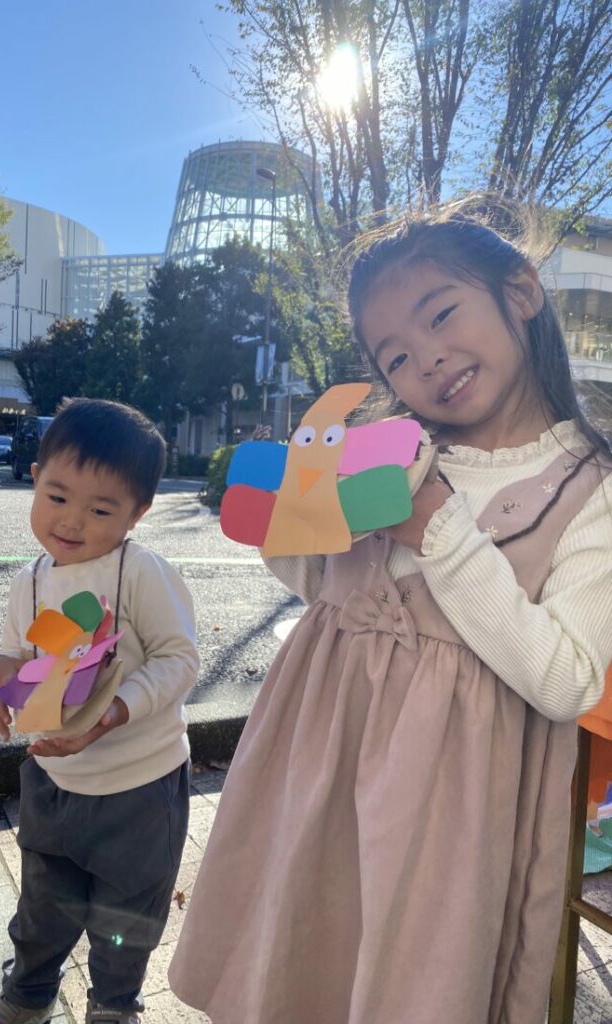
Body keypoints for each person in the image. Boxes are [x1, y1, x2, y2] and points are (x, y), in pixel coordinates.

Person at [168, 200, 612, 1024]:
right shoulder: (392, 453)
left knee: (408, 975)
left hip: (447, 800)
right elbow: (327, 590)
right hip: (321, 758)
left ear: (521, 292)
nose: (428, 358)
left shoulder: (589, 489)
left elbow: (567, 680)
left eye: (442, 314)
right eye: (396, 356)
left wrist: (439, 528)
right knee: (304, 949)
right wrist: (290, 520)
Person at [0, 398, 199, 1024]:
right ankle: (30, 989)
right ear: (35, 478)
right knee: (43, 905)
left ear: (138, 513)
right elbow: (18, 653)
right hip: (52, 779)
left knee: (127, 913)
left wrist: (114, 712)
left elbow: (179, 659)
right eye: (57, 496)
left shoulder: (140, 572)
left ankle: (114, 1001)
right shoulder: (30, 580)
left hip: (140, 786)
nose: (72, 521)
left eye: (101, 509)